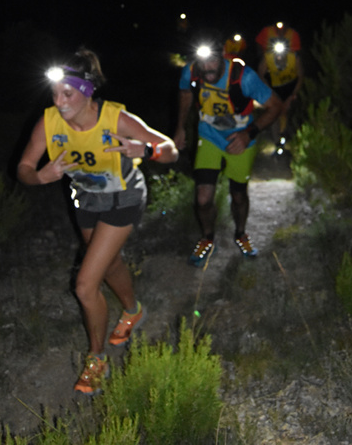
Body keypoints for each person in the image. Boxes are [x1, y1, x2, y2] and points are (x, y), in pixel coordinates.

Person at [17, 47, 178, 395]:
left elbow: (170, 149)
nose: (59, 102)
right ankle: (133, 310)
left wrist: (146, 150)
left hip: (124, 198)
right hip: (86, 201)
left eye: (67, 93)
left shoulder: (115, 118)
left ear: (87, 91)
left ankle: (97, 359)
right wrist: (41, 177)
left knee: (85, 285)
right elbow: (24, 169)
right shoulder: (49, 122)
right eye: (55, 93)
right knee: (107, 264)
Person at [174, 37, 282, 266]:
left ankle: (241, 233)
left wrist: (248, 134)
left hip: (240, 139)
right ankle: (207, 237)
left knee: (239, 195)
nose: (207, 68)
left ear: (223, 53)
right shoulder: (191, 71)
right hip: (209, 136)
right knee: (203, 199)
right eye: (203, 61)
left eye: (213, 60)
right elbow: (185, 94)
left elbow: (275, 106)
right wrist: (180, 128)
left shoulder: (244, 76)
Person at [257, 37, 304, 148]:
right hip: (275, 88)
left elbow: (301, 77)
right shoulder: (267, 57)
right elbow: (260, 75)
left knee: (290, 111)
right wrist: (269, 93)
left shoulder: (295, 58)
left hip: (291, 88)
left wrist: (292, 96)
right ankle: (277, 142)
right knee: (275, 112)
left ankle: (291, 138)